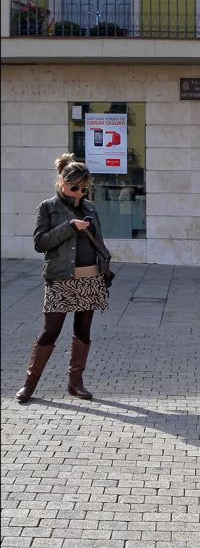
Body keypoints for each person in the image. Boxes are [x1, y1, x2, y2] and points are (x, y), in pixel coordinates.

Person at [16, 153, 111, 404]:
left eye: (83, 188)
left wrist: (104, 264)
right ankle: (29, 384)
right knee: (50, 331)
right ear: (61, 182)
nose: (79, 193)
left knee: (83, 330)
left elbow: (98, 241)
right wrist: (69, 227)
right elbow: (40, 243)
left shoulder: (90, 207)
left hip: (90, 277)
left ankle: (75, 383)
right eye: (74, 187)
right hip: (60, 278)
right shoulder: (47, 207)